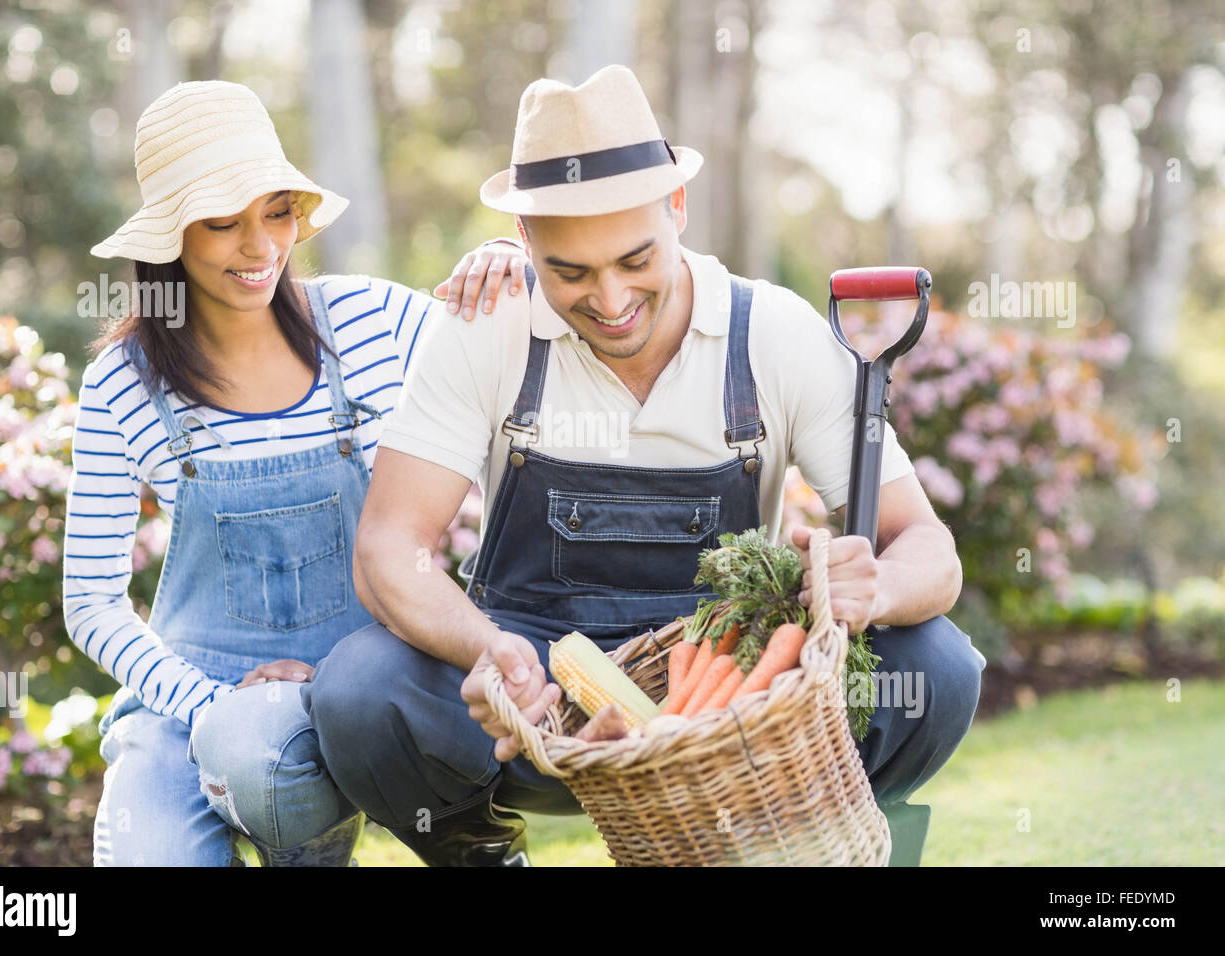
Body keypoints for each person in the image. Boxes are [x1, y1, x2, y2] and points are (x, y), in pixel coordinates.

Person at [303, 65, 987, 866]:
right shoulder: (485, 330)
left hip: (730, 700)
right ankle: (477, 850)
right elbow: (389, 549)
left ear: (678, 209)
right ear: (524, 242)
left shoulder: (771, 333)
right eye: (571, 272)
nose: (611, 298)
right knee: (357, 692)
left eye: (635, 259)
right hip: (532, 708)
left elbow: (928, 551)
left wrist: (885, 584)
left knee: (934, 668)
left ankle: (800, 841)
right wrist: (489, 652)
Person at [66, 80, 525, 866]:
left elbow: (529, 358)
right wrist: (212, 703)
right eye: (222, 224)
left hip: (377, 684)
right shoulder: (123, 383)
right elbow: (90, 601)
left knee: (289, 748)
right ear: (168, 237)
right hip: (197, 699)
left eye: (277, 213)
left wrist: (511, 262)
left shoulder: (375, 322)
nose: (261, 249)